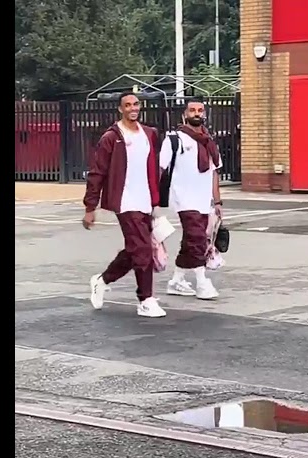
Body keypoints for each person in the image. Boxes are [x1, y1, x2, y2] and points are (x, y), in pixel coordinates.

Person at [82, 92, 166, 317]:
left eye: (136, 104)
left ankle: (102, 280)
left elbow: (152, 167)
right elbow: (97, 172)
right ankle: (146, 299)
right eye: (127, 105)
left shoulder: (150, 134)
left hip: (145, 201)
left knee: (135, 249)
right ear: (120, 109)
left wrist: (156, 200)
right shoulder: (111, 137)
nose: (132, 108)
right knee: (143, 249)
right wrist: (91, 207)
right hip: (125, 202)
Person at [159, 97, 223, 300]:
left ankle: (176, 280)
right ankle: (203, 282)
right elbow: (160, 169)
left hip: (203, 200)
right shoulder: (174, 139)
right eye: (192, 110)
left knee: (191, 241)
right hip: (183, 198)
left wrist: (217, 201)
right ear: (184, 114)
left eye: (200, 110)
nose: (197, 113)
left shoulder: (209, 142)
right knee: (196, 238)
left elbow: (214, 172)